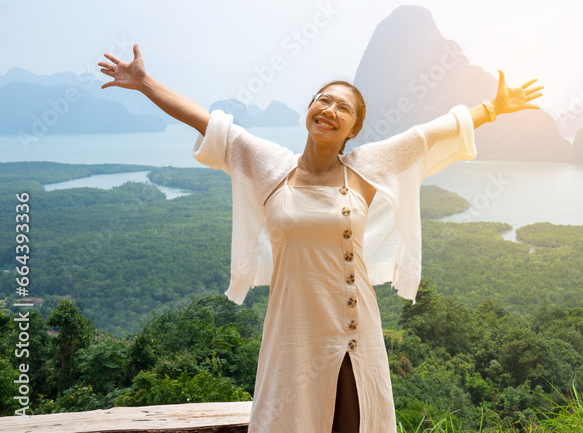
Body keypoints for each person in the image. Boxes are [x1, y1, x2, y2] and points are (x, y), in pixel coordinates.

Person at [98, 43, 543, 433]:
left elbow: (427, 136)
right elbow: (207, 122)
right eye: (323, 101)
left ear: (353, 129)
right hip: (293, 329)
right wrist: (144, 82)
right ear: (309, 109)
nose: (329, 110)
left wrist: (494, 107)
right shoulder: (271, 165)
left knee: (354, 423)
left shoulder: (366, 167)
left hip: (353, 329)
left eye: (342, 108)